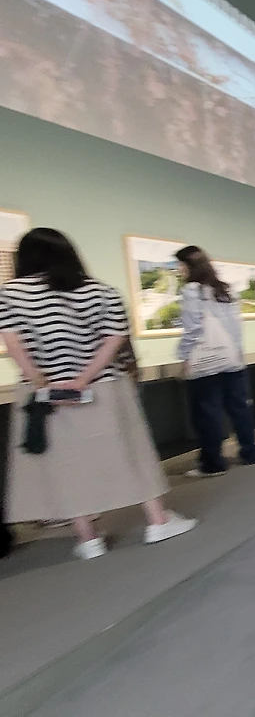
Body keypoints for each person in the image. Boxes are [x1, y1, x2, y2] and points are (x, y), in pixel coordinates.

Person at [1, 228, 196, 560]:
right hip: (103, 387)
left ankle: (88, 539)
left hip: (45, 394)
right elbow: (114, 338)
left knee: (65, 464)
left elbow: (13, 343)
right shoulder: (100, 291)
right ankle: (158, 521)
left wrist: (40, 382)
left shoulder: (11, 294)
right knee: (130, 452)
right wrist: (83, 379)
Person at [175, 245, 255, 478]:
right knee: (240, 408)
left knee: (207, 413)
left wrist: (184, 355)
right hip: (231, 359)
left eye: (180, 265)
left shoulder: (192, 291)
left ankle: (213, 462)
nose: (179, 269)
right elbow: (236, 328)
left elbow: (193, 329)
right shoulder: (225, 289)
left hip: (206, 362)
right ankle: (250, 451)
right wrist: (237, 353)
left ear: (188, 266)